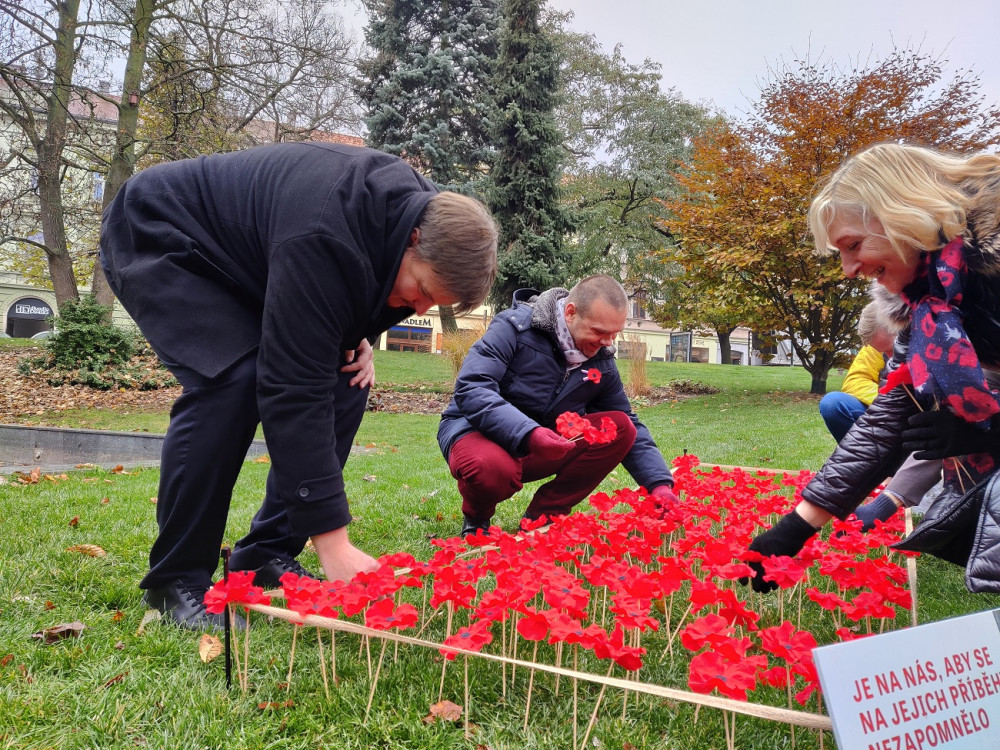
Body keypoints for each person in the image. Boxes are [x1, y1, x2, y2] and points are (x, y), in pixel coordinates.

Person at [100, 142, 498, 628]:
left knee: (349, 375)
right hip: (166, 233)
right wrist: (333, 543)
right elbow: (291, 387)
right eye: (422, 293)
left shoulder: (423, 221)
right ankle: (176, 578)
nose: (416, 311)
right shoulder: (325, 229)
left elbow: (358, 287)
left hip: (255, 263)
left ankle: (265, 551)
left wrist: (358, 334)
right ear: (414, 239)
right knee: (232, 381)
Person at [744, 142, 1000, 593]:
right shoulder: (927, 313)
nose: (847, 269)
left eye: (854, 244)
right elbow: (885, 420)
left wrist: (990, 432)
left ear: (905, 213)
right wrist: (796, 529)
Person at [437, 274, 678, 537]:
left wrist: (659, 484)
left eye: (614, 334)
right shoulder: (514, 328)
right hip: (477, 432)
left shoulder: (601, 358)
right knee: (491, 469)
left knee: (621, 428)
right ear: (571, 313)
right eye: (599, 332)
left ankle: (544, 515)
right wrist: (529, 433)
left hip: (544, 441)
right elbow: (473, 387)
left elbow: (627, 420)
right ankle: (477, 517)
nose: (608, 343)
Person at [818, 298, 898, 443]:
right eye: (883, 352)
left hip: (921, 419)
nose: (890, 357)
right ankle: (865, 461)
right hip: (888, 412)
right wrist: (889, 402)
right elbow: (855, 381)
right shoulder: (875, 345)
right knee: (832, 404)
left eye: (890, 349)